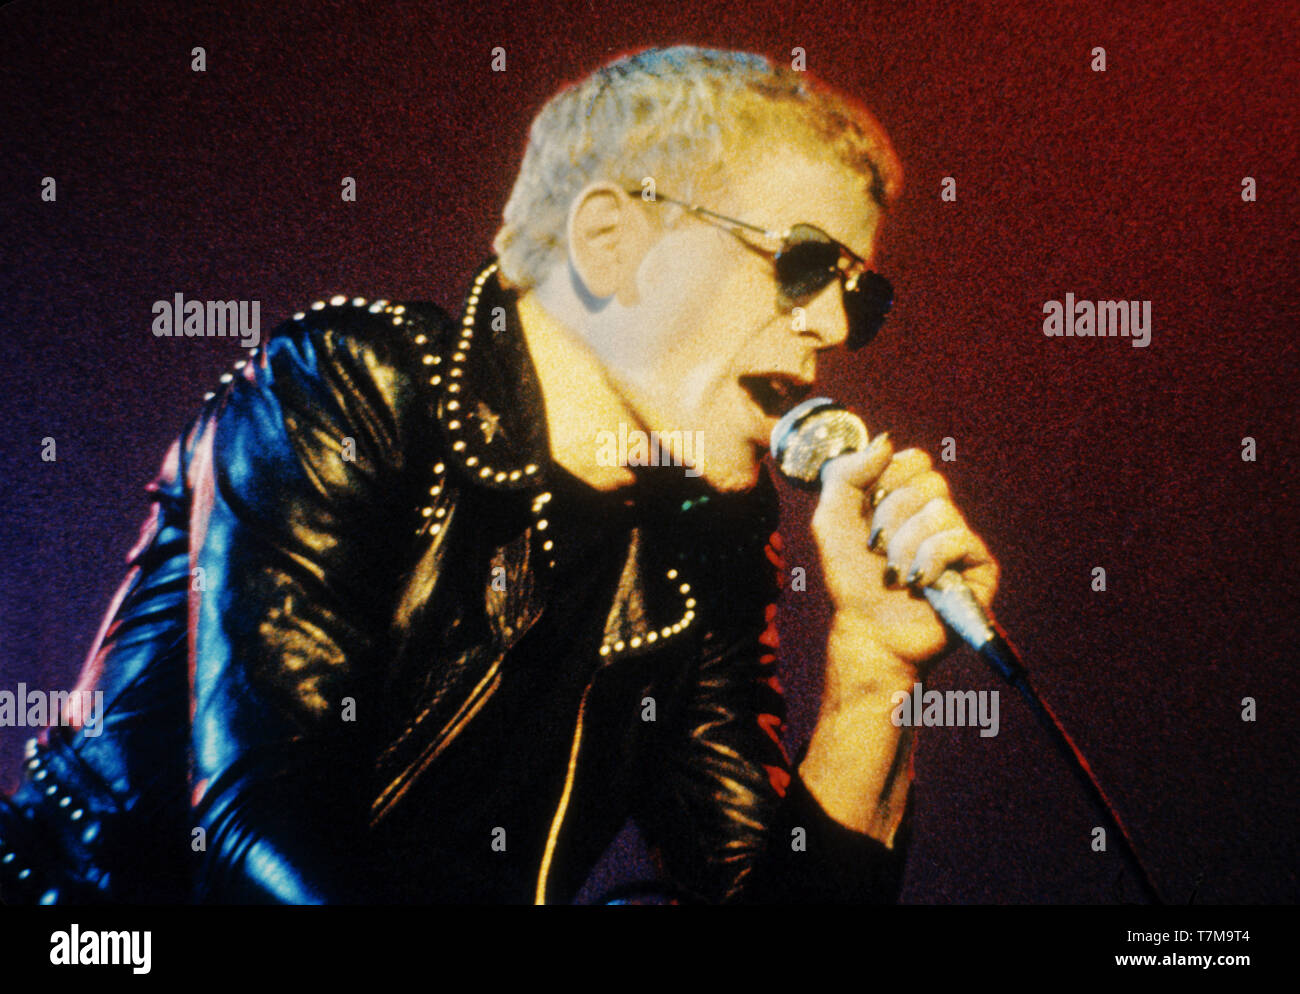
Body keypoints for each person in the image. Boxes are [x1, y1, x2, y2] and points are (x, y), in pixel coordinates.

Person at [0, 46, 998, 905]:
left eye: (859, 300)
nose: (829, 325)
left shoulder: (706, 544)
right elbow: (258, 834)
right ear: (610, 242)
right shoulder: (360, 389)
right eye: (802, 264)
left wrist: (872, 674)